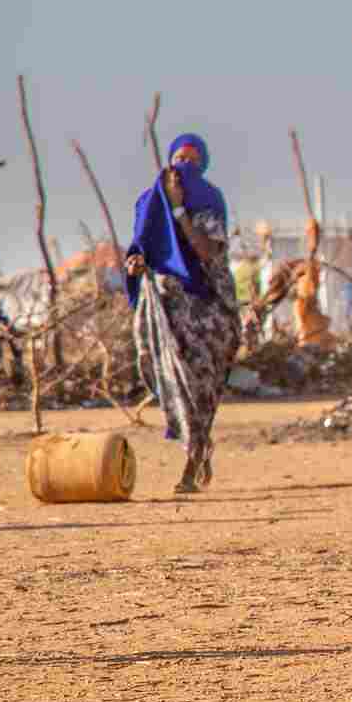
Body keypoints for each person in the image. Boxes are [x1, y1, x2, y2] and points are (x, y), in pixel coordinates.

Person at [123, 134, 240, 493]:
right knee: (171, 381)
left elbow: (205, 253)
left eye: (192, 160)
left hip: (208, 314)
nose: (183, 167)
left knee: (200, 388)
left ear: (202, 165)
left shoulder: (209, 201)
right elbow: (143, 246)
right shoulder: (150, 203)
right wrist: (135, 261)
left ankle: (193, 462)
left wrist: (179, 210)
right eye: (178, 159)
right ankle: (197, 449)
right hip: (166, 313)